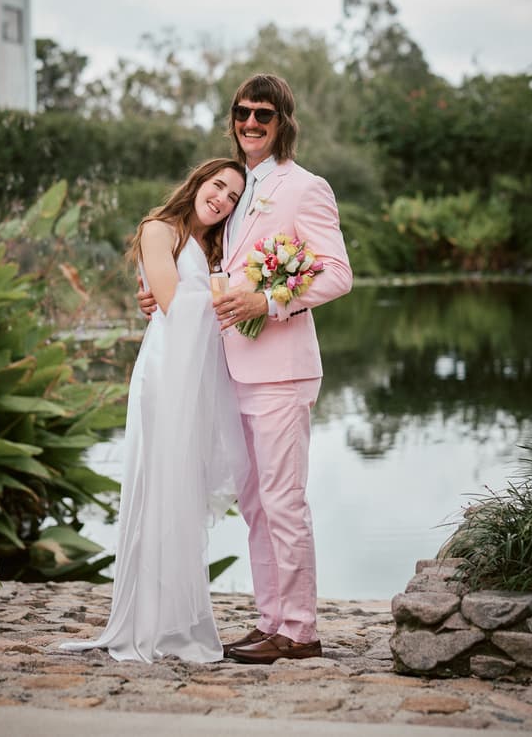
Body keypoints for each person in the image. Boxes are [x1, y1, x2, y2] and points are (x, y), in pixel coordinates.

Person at [138, 74, 353, 664]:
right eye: (242, 112)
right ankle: (270, 622)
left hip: (281, 372)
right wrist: (159, 295)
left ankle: (301, 630)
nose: (251, 123)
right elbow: (206, 270)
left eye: (263, 114)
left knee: (284, 501)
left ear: (283, 121)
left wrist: (270, 301)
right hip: (232, 373)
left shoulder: (305, 187)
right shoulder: (236, 192)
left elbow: (336, 272)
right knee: (256, 504)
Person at [61, 158, 248, 664]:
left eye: (234, 196)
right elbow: (169, 299)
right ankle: (145, 621)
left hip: (198, 375)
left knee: (183, 491)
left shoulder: (216, 247)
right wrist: (231, 293)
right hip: (166, 372)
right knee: (157, 484)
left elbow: (195, 297)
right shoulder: (158, 229)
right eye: (218, 186)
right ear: (198, 183)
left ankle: (176, 620)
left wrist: (230, 285)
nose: (223, 199)